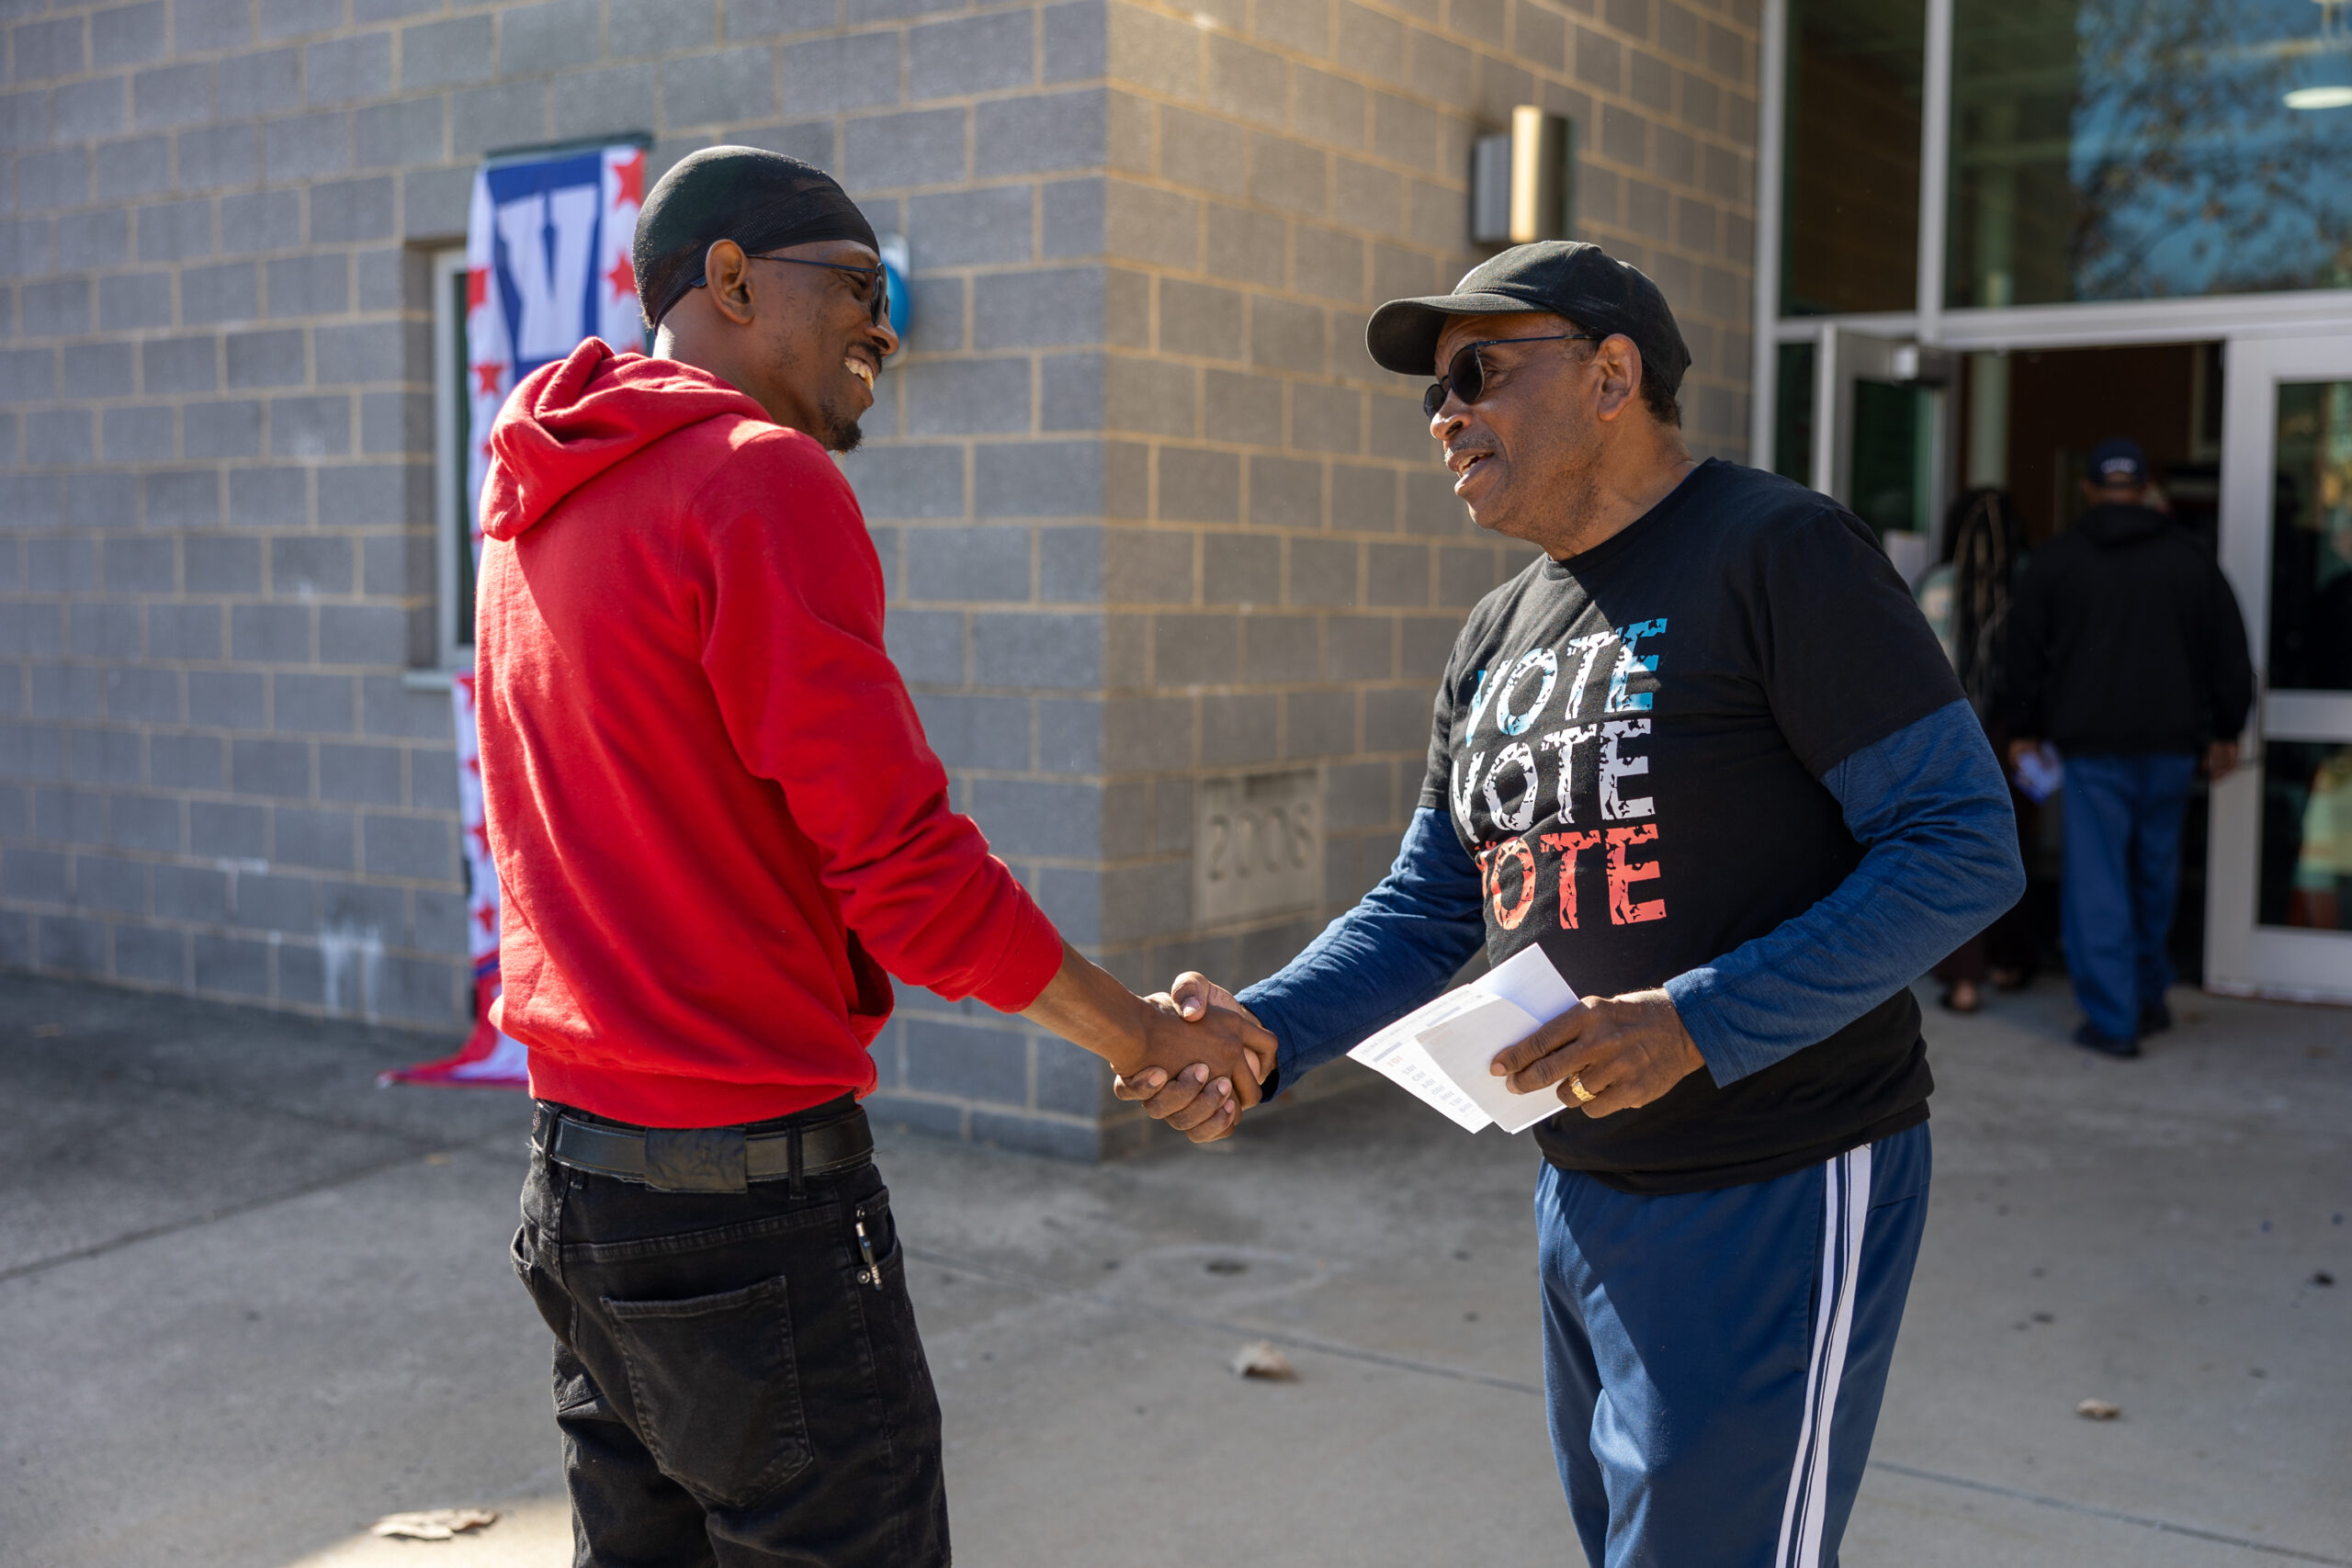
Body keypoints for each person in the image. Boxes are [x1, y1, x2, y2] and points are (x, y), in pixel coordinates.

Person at [1118, 242, 2026, 1567]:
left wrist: (1694, 1018)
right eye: (1433, 393)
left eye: (1479, 371)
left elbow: (1960, 842)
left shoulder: (1778, 550)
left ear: (1613, 374)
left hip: (1778, 1173)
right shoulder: (1495, 633)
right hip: (1582, 1187)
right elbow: (1431, 907)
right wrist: (1263, 1030)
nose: (1446, 416)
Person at [472, 148, 1268, 1568]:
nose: (883, 324)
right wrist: (1141, 1033)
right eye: (850, 284)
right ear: (726, 280)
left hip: (577, 1187)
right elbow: (906, 874)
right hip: (744, 1200)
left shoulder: (539, 496)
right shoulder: (752, 477)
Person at [2002, 437, 2255, 1057]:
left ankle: (2114, 1020)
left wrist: (2018, 727)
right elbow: (2229, 655)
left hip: (2092, 747)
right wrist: (2227, 729)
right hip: (2172, 745)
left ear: (2087, 488)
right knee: (2152, 875)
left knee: (2099, 883)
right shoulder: (2191, 560)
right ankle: (2146, 996)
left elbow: (2022, 658)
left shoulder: (2058, 561)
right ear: (2144, 488)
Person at [1915, 487, 2039, 1010]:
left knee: (1952, 852)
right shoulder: (2030, 582)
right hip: (2011, 735)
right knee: (2010, 849)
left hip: (1948, 730)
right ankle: (2009, 962)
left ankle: (1963, 981)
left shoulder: (1935, 585)